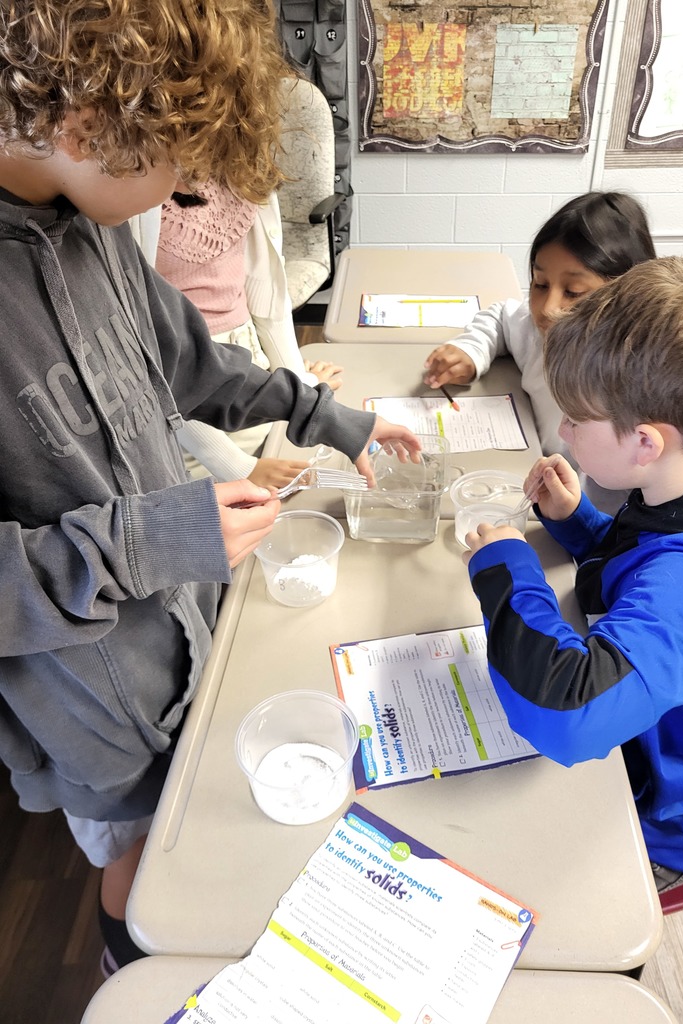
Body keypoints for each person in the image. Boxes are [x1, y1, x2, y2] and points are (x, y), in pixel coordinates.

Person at [0, 0, 418, 974]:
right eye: (176, 168)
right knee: (147, 870)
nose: (186, 187)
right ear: (84, 124)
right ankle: (130, 976)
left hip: (194, 632)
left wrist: (328, 417)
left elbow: (187, 361)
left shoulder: (90, 222)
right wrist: (144, 542)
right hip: (94, 703)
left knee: (209, 841)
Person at [463, 256, 683, 893]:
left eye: (576, 419)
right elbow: (641, 566)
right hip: (625, 760)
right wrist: (578, 522)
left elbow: (568, 709)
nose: (564, 430)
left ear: (645, 442)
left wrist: (508, 572)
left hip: (653, 821)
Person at [423, 192, 657, 512]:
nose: (548, 308)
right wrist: (471, 350)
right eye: (540, 283)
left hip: (591, 522)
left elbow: (620, 504)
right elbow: (501, 317)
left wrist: (570, 514)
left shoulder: (639, 386)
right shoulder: (538, 331)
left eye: (573, 292)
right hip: (535, 485)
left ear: (628, 296)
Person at [148, 181, 344, 488]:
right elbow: (144, 353)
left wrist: (300, 391)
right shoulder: (138, 191)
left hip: (247, 374)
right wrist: (237, 465)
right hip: (181, 419)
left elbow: (267, 295)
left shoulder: (242, 171)